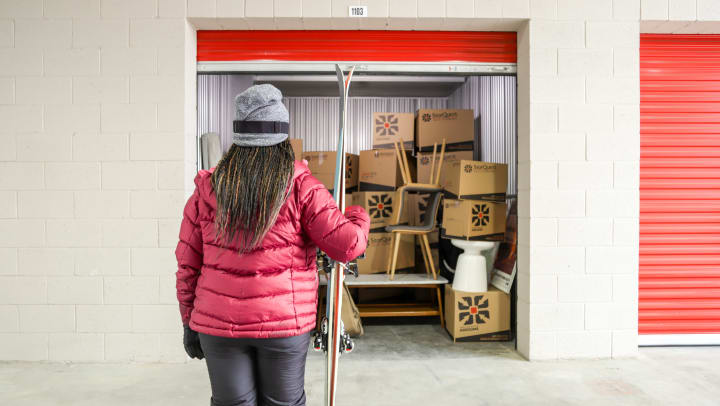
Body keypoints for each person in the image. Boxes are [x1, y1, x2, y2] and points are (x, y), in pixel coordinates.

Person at [175, 84, 370, 406]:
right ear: (283, 138)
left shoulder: (206, 189)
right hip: (284, 323)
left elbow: (187, 265)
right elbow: (348, 246)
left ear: (237, 138)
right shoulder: (302, 187)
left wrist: (188, 321)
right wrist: (357, 215)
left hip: (218, 325)